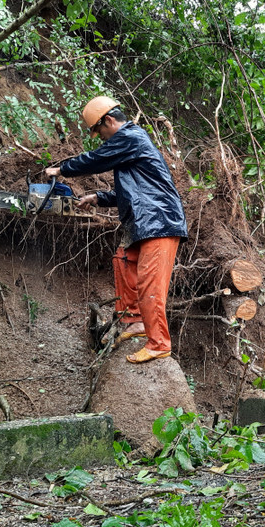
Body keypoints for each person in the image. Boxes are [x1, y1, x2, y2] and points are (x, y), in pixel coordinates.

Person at [45, 96, 187, 363]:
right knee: (122, 260)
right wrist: (98, 197)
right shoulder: (129, 147)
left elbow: (96, 159)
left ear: (109, 121)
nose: (100, 138)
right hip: (142, 222)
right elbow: (133, 191)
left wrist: (61, 169)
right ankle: (135, 320)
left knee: (150, 283)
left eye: (99, 132)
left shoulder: (131, 136)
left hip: (159, 221)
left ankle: (159, 343)